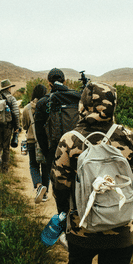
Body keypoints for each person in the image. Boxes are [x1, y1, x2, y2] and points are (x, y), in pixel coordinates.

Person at [51, 82, 133, 264]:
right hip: (120, 231)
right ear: (113, 105)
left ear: (83, 105)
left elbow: (60, 186)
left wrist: (64, 214)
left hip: (81, 232)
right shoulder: (129, 137)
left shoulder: (70, 140)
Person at [34, 68, 81, 203]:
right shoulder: (77, 97)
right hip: (78, 148)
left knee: (60, 190)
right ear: (64, 81)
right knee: (78, 185)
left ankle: (63, 217)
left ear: (49, 83)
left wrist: (47, 152)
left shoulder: (43, 102)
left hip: (54, 151)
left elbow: (39, 132)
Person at [21, 84, 50, 203]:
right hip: (45, 141)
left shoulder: (27, 108)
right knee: (46, 167)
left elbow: (24, 125)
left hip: (32, 140)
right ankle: (45, 194)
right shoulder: (48, 106)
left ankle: (38, 187)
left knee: (33, 165)